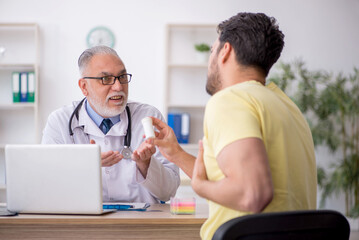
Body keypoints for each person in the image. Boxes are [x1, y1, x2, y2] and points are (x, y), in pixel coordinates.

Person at [152, 12, 317, 239]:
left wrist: (200, 187)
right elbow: (234, 179)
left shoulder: (230, 100)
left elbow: (252, 194)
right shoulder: (286, 106)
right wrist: (176, 153)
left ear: (225, 51)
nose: (210, 60)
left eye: (212, 50)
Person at [42, 46, 180, 204]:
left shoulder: (148, 118)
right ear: (84, 87)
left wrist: (146, 164)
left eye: (122, 77)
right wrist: (84, 165)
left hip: (141, 224)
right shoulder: (59, 122)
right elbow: (49, 187)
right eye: (106, 79)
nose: (118, 87)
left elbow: (168, 192)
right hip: (83, 224)